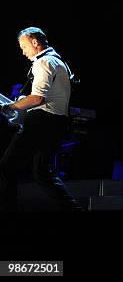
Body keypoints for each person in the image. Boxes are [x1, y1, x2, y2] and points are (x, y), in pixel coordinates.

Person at [0, 27, 83, 212]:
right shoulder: (58, 61)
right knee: (42, 172)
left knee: (6, 167)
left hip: (42, 122)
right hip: (57, 123)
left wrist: (8, 107)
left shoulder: (44, 62)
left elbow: (38, 99)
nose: (23, 52)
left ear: (35, 43)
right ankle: (75, 211)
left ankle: (7, 217)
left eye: (23, 46)